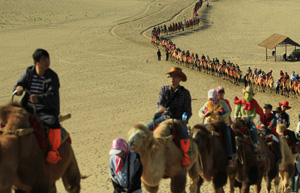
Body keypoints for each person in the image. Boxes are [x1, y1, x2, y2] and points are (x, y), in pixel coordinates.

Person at [14, 48, 61, 164]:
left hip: (45, 109)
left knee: (54, 123)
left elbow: (52, 94)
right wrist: (18, 89)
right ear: (36, 62)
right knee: (8, 118)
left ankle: (53, 151)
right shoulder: (29, 72)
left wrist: (38, 99)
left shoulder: (52, 76)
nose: (47, 62)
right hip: (27, 107)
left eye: (48, 59)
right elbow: (19, 84)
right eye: (44, 59)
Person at [147, 67, 192, 166]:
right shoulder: (163, 89)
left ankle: (186, 156)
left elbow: (188, 111)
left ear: (180, 78)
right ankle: (144, 156)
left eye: (175, 76)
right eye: (171, 76)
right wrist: (161, 108)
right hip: (164, 118)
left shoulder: (185, 93)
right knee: (146, 129)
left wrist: (185, 118)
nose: (172, 78)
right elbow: (160, 103)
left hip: (178, 120)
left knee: (184, 134)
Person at [198, 89, 234, 166]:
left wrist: (221, 115)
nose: (211, 100)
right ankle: (198, 155)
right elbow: (200, 112)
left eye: (212, 98)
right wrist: (205, 115)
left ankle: (230, 157)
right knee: (198, 132)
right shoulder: (207, 104)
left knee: (227, 134)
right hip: (209, 123)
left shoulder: (222, 103)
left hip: (221, 123)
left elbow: (228, 112)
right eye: (210, 98)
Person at [233, 86, 264, 155]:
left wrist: (247, 118)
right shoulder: (239, 102)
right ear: (244, 94)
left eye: (250, 94)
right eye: (247, 93)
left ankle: (255, 145)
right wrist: (236, 117)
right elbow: (235, 112)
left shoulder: (254, 104)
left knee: (253, 129)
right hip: (239, 121)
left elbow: (254, 115)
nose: (248, 95)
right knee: (232, 130)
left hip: (248, 121)